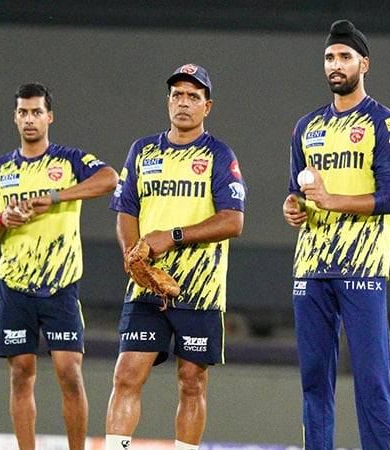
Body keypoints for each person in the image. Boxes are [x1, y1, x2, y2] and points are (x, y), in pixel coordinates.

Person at [105, 64, 246, 450]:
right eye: (177, 95)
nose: (184, 103)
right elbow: (126, 211)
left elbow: (233, 221)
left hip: (199, 289)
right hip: (147, 288)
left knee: (191, 381)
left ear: (208, 106)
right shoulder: (142, 150)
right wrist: (135, 261)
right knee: (127, 375)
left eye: (193, 97)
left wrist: (173, 237)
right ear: (168, 101)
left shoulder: (219, 155)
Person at [282, 20, 390, 450]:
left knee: (372, 383)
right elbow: (297, 192)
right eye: (330, 57)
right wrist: (293, 207)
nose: (335, 65)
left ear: (364, 64)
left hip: (363, 269)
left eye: (345, 57)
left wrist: (333, 200)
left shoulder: (384, 123)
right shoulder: (306, 127)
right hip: (311, 269)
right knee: (314, 382)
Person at [0, 82, 118, 450]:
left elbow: (110, 179)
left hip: (60, 285)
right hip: (15, 286)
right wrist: (5, 218)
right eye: (23, 112)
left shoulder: (68, 160)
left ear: (49, 117)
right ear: (15, 117)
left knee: (70, 373)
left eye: (36, 112)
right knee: (21, 374)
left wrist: (54, 197)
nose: (29, 119)